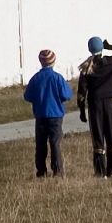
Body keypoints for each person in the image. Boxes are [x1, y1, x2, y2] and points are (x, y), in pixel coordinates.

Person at [77, 36, 112, 178]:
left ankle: (100, 172)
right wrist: (110, 46)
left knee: (98, 138)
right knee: (111, 136)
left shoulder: (86, 68)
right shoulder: (110, 62)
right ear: (101, 48)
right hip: (109, 102)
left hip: (94, 104)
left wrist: (82, 110)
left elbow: (81, 93)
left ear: (89, 49)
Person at [23, 49, 73, 177]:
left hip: (40, 115)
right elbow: (67, 95)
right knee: (55, 143)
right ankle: (58, 170)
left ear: (41, 62)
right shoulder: (57, 78)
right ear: (53, 62)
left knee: (40, 144)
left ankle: (41, 171)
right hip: (55, 115)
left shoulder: (35, 78)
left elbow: (27, 96)